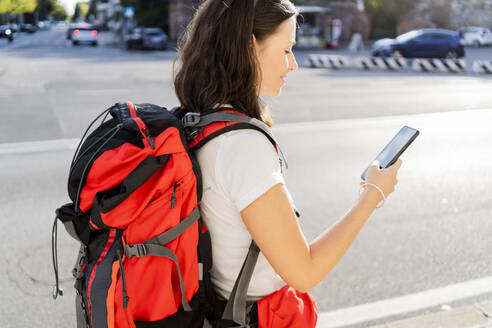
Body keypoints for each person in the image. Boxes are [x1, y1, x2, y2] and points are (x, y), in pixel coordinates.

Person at [173, 0, 401, 323]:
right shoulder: (242, 147)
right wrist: (372, 196)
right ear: (250, 46)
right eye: (286, 50)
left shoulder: (203, 121)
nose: (293, 64)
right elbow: (304, 271)